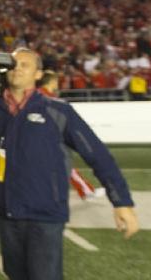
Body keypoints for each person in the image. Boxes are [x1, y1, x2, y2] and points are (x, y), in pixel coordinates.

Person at [0, 48, 139, 280]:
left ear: (38, 74)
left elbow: (97, 155)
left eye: (25, 65)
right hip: (6, 211)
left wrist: (121, 202)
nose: (17, 69)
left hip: (45, 213)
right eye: (13, 64)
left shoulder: (58, 111)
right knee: (15, 275)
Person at [38, 69, 106, 201]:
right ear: (51, 81)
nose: (57, 83)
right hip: (46, 140)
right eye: (56, 80)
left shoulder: (41, 95)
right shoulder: (47, 97)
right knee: (65, 166)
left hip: (45, 139)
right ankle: (87, 192)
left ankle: (86, 191)